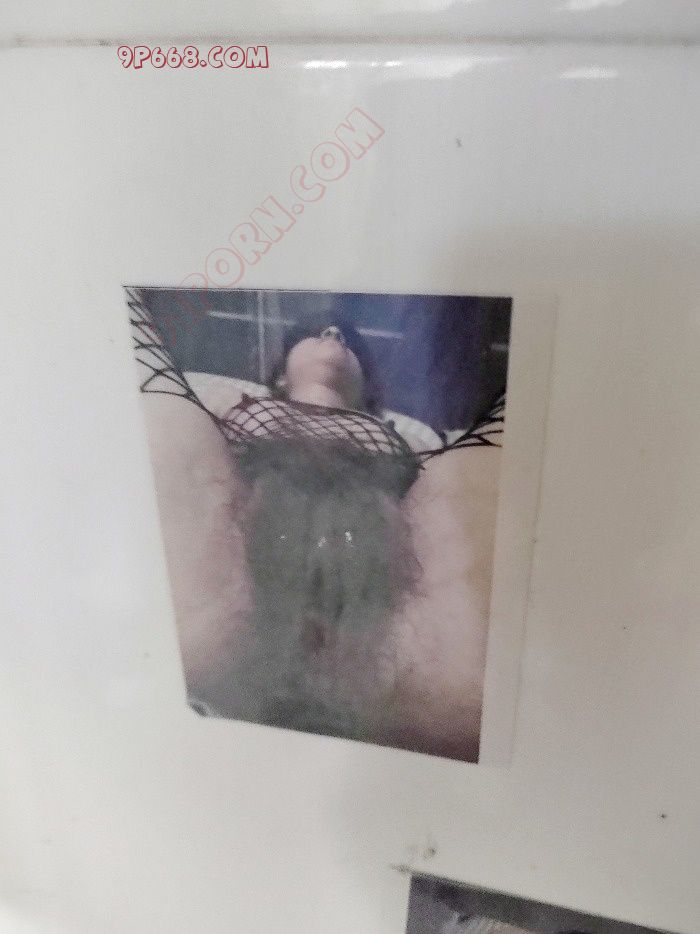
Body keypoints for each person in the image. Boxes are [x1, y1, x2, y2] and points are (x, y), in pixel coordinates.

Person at [130, 291, 503, 761]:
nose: (332, 335)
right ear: (280, 374)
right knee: (164, 399)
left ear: (368, 389)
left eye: (345, 339)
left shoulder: (414, 442)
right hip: (229, 594)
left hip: (395, 644)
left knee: (456, 698)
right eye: (313, 334)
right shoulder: (227, 406)